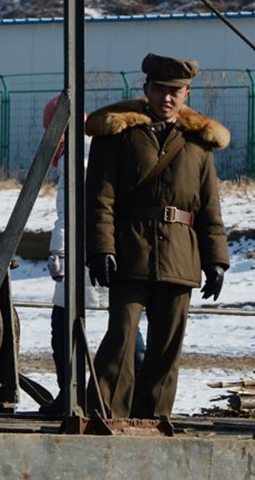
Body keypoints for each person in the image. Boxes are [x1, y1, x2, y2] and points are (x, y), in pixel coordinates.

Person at [84, 53, 230, 420]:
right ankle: (105, 416)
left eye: (175, 91)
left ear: (186, 94)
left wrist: (216, 260)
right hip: (130, 251)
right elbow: (100, 199)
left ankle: (153, 420)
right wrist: (101, 248)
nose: (167, 98)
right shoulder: (118, 136)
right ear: (146, 89)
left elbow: (210, 209)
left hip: (181, 256)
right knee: (120, 337)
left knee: (167, 349)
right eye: (160, 89)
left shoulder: (198, 144)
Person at [38, 96, 144, 416]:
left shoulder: (77, 158)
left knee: (64, 321)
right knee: (124, 320)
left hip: (83, 249)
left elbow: (68, 212)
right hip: (107, 246)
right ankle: (132, 392)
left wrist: (58, 249)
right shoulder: (94, 149)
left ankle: (69, 395)